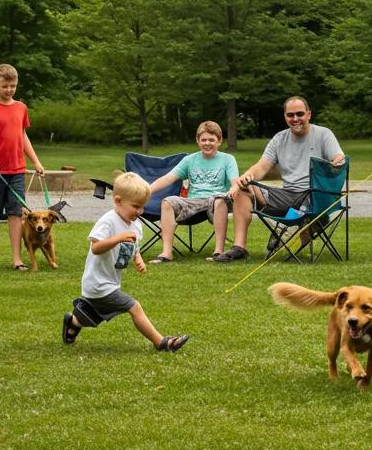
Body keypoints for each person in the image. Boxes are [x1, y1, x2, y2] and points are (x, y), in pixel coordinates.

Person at [61, 172, 189, 352]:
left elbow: (133, 245)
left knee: (92, 314)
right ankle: (161, 342)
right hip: (98, 284)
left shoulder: (135, 223)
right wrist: (117, 238)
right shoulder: (108, 222)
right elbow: (96, 248)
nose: (139, 211)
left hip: (110, 281)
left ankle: (73, 323)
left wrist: (138, 258)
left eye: (142, 207)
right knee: (134, 307)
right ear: (118, 201)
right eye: (135, 206)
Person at [229, 95, 344, 254]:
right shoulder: (279, 139)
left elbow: (338, 159)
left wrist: (338, 162)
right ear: (285, 116)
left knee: (315, 219)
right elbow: (262, 167)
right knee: (243, 188)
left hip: (314, 197)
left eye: (300, 114)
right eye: (290, 115)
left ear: (309, 114)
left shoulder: (324, 134)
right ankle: (239, 248)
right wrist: (246, 177)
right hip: (286, 195)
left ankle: (291, 235)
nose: (295, 118)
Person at [145, 121, 250, 263]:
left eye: (211, 140)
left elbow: (235, 182)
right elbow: (168, 178)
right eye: (204, 140)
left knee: (218, 199)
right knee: (167, 202)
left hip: (218, 200)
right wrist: (147, 190)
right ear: (198, 141)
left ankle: (218, 252)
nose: (207, 143)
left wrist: (233, 188)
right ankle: (166, 253)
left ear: (219, 141)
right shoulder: (189, 160)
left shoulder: (228, 159)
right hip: (193, 202)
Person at [0, 63, 45, 271]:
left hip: (17, 171)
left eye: (13, 86)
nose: (9, 90)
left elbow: (23, 136)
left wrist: (36, 161)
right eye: (5, 86)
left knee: (16, 214)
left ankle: (17, 259)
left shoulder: (21, 108)